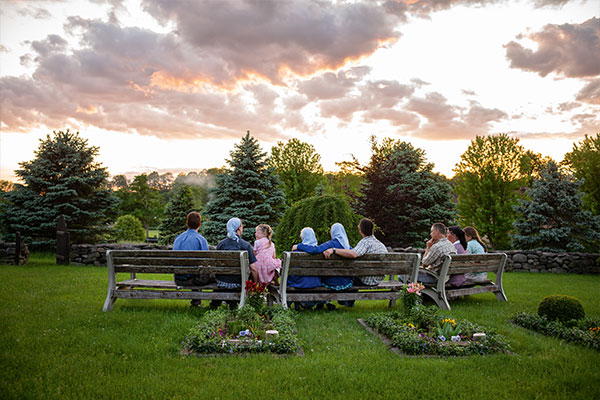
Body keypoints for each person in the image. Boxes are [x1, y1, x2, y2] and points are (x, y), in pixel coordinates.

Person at [293, 222, 353, 309]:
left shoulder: (331, 244)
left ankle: (322, 302)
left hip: (331, 282)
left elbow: (315, 250)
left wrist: (298, 246)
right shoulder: (348, 247)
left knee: (321, 278)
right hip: (347, 283)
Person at [323, 218, 387, 286]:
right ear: (372, 230)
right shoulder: (380, 245)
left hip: (367, 280)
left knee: (346, 281)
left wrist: (334, 250)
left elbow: (353, 254)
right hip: (377, 280)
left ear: (360, 231)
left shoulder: (365, 242)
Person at [212, 218, 258, 308]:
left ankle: (215, 303)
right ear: (239, 228)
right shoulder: (245, 245)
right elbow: (253, 268)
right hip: (238, 281)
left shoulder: (221, 244)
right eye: (241, 226)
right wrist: (255, 282)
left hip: (221, 281)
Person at [173, 211, 210, 307]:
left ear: (187, 223)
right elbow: (206, 261)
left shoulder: (178, 238)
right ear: (200, 224)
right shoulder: (201, 240)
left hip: (178, 278)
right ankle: (201, 303)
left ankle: (196, 302)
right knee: (209, 275)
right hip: (192, 278)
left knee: (196, 271)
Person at [287, 227, 322, 310]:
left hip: (299, 283)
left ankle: (289, 304)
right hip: (315, 283)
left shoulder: (296, 253)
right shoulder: (320, 253)